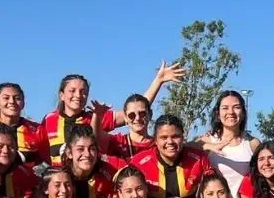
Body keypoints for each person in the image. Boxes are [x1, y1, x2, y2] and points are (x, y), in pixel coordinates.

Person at [40, 62, 183, 166]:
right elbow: (40, 152)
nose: (78, 95)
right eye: (72, 90)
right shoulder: (49, 120)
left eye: (83, 92)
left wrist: (158, 81)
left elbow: (135, 111)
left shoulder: (96, 117)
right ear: (61, 95)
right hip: (60, 186)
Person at [130, 115, 213, 198]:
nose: (170, 142)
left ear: (183, 137)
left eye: (175, 136)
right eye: (163, 137)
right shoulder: (138, 163)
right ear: (155, 140)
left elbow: (214, 191)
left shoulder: (199, 159)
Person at [198, 91, 259, 198]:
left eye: (236, 107)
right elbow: (182, 148)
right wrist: (209, 146)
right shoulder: (207, 140)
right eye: (225, 108)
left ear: (243, 113)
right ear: (218, 113)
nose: (230, 112)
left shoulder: (253, 144)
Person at [0, 83, 48, 166]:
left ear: (23, 103)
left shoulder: (37, 130)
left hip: (25, 178)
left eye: (17, 98)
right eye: (6, 98)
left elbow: (48, 159)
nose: (12, 101)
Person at [63, 126, 118, 198]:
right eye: (80, 149)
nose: (87, 154)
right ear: (69, 153)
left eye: (92, 149)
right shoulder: (60, 175)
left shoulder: (109, 171)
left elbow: (130, 196)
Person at [107, 94, 156, 161]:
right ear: (125, 117)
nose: (138, 118)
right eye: (132, 115)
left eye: (142, 113)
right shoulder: (117, 142)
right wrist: (97, 115)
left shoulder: (159, 145)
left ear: (150, 114)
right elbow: (95, 136)